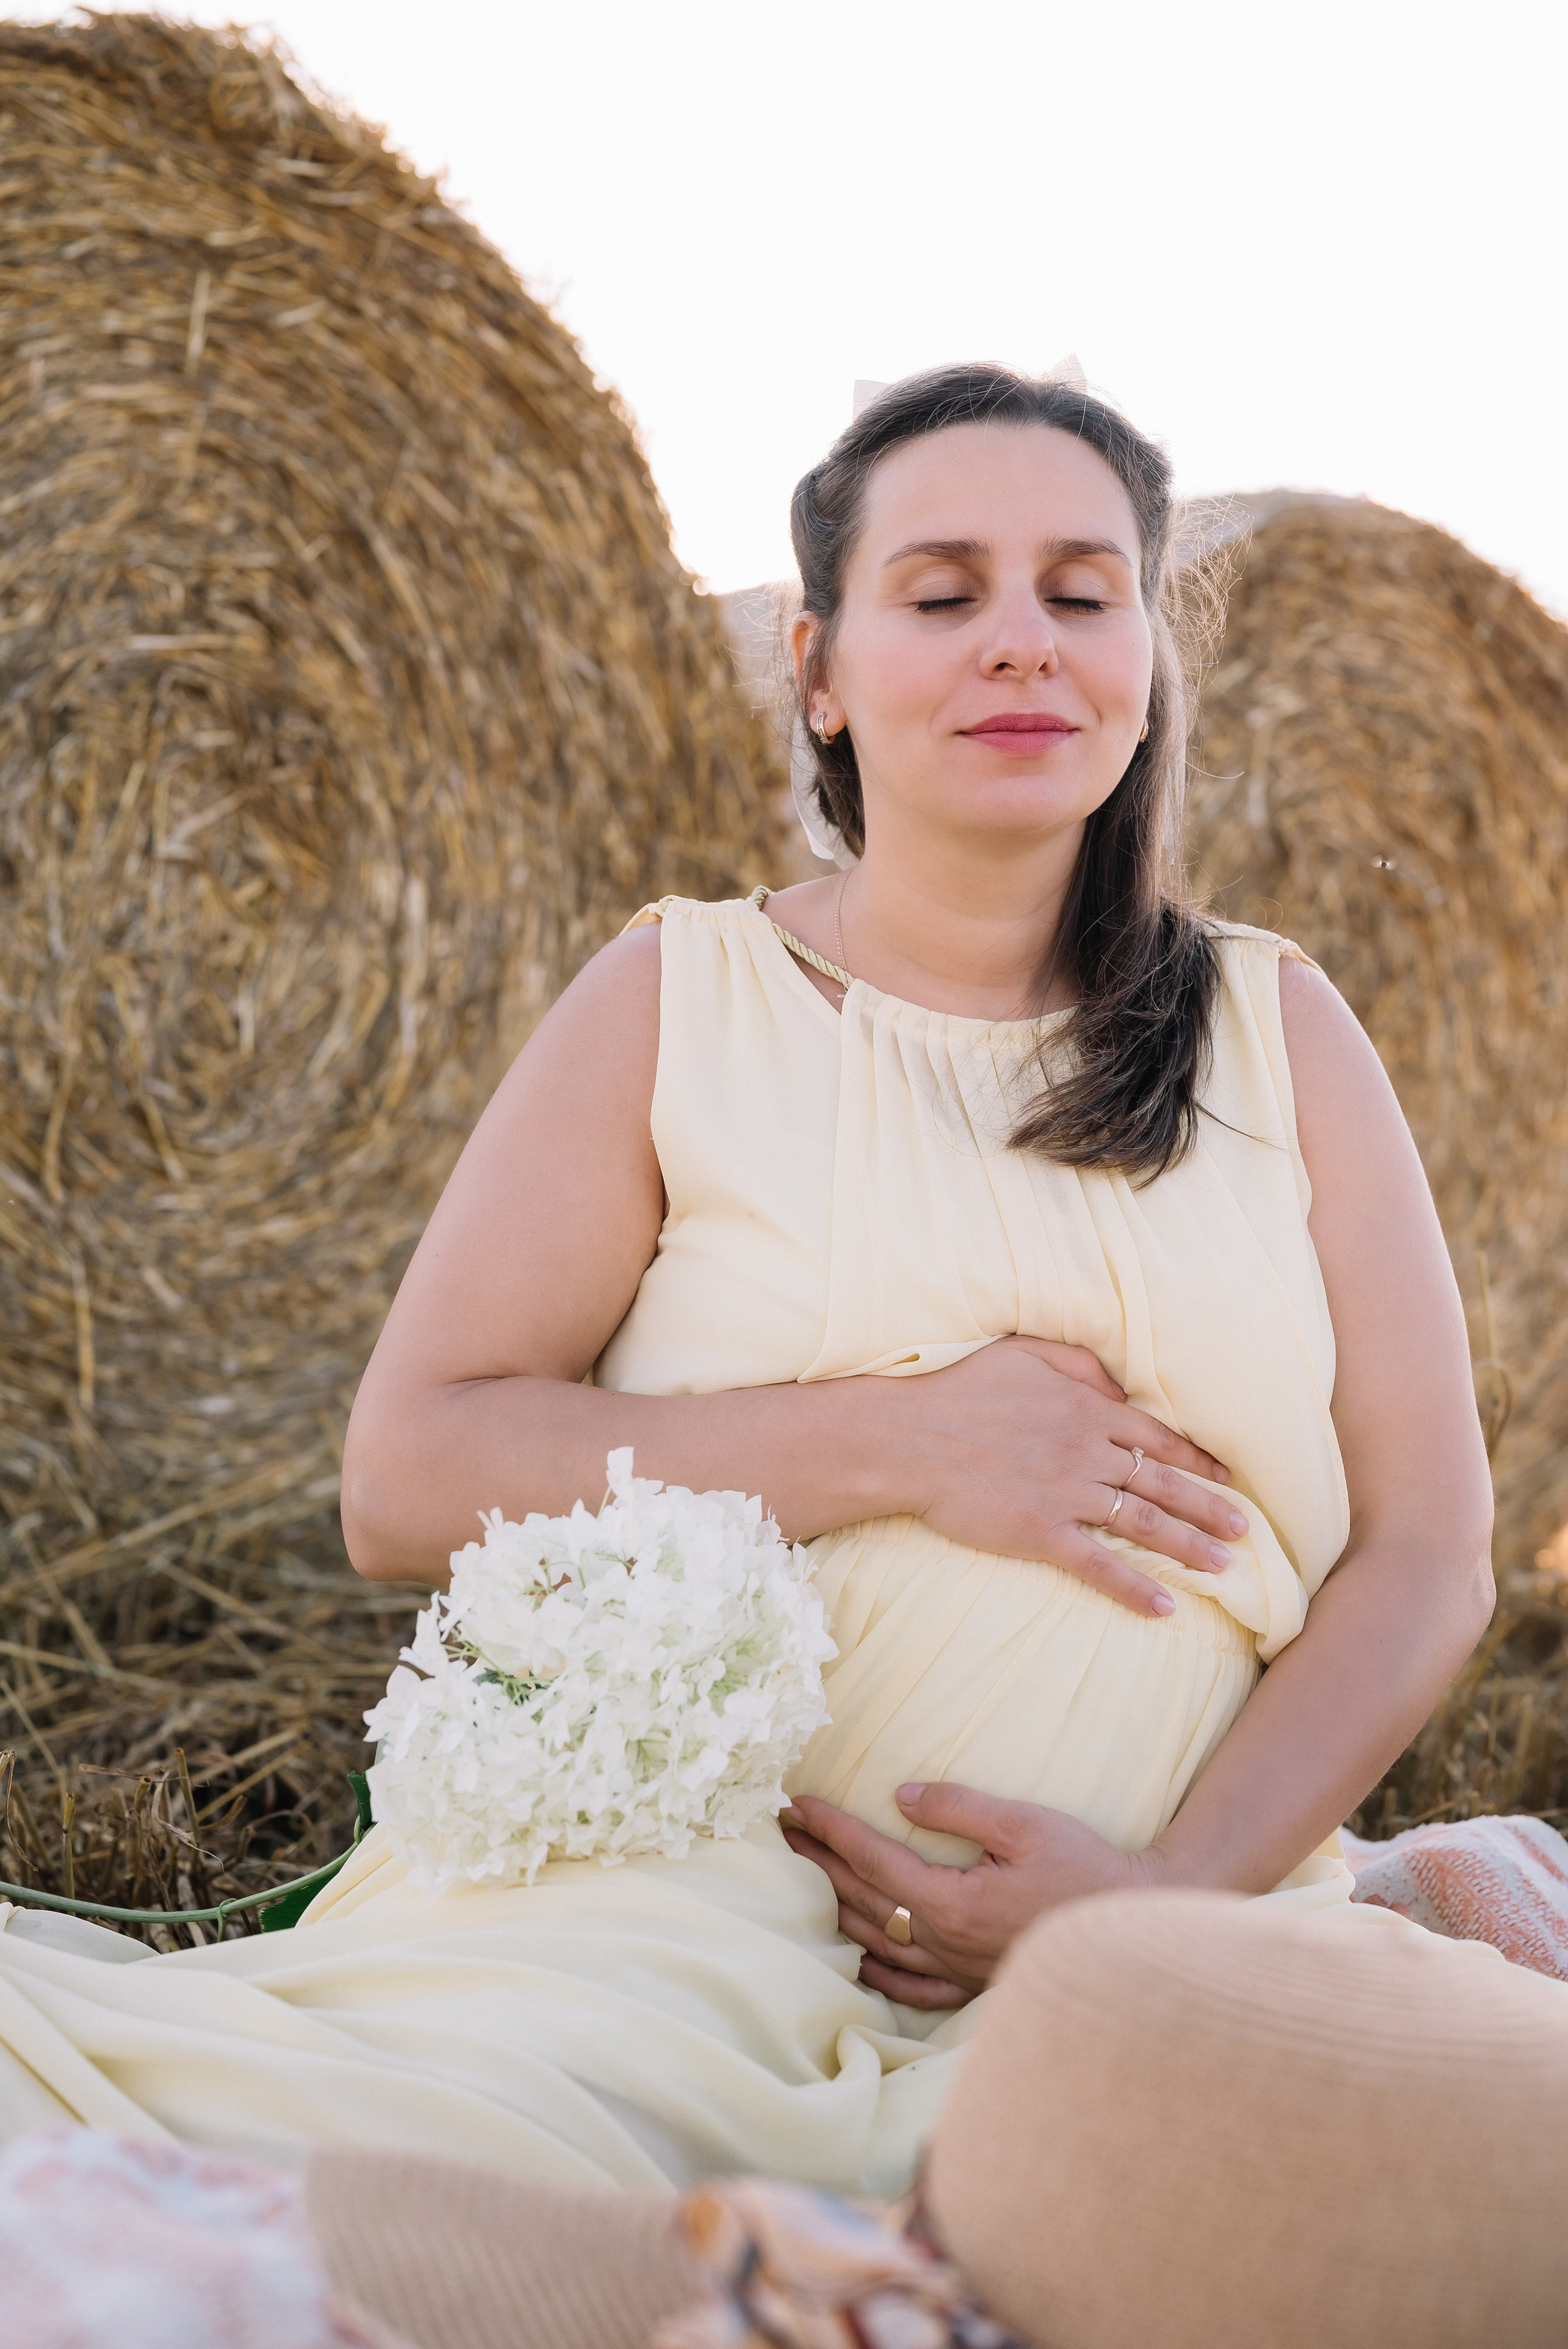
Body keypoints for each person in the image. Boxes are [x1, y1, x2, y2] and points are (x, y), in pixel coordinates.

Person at [0, 366, 1519, 2187]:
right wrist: (912, 1440)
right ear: (820, 670)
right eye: (944, 593)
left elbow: (1431, 1550)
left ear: (1147, 665)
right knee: (495, 2213)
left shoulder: (1283, 1029)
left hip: (1171, 1941)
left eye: (1082, 590)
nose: (1021, 643)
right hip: (674, 1923)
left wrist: (1148, 1910)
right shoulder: (675, 1001)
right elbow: (406, 1475)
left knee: (1451, 2199)